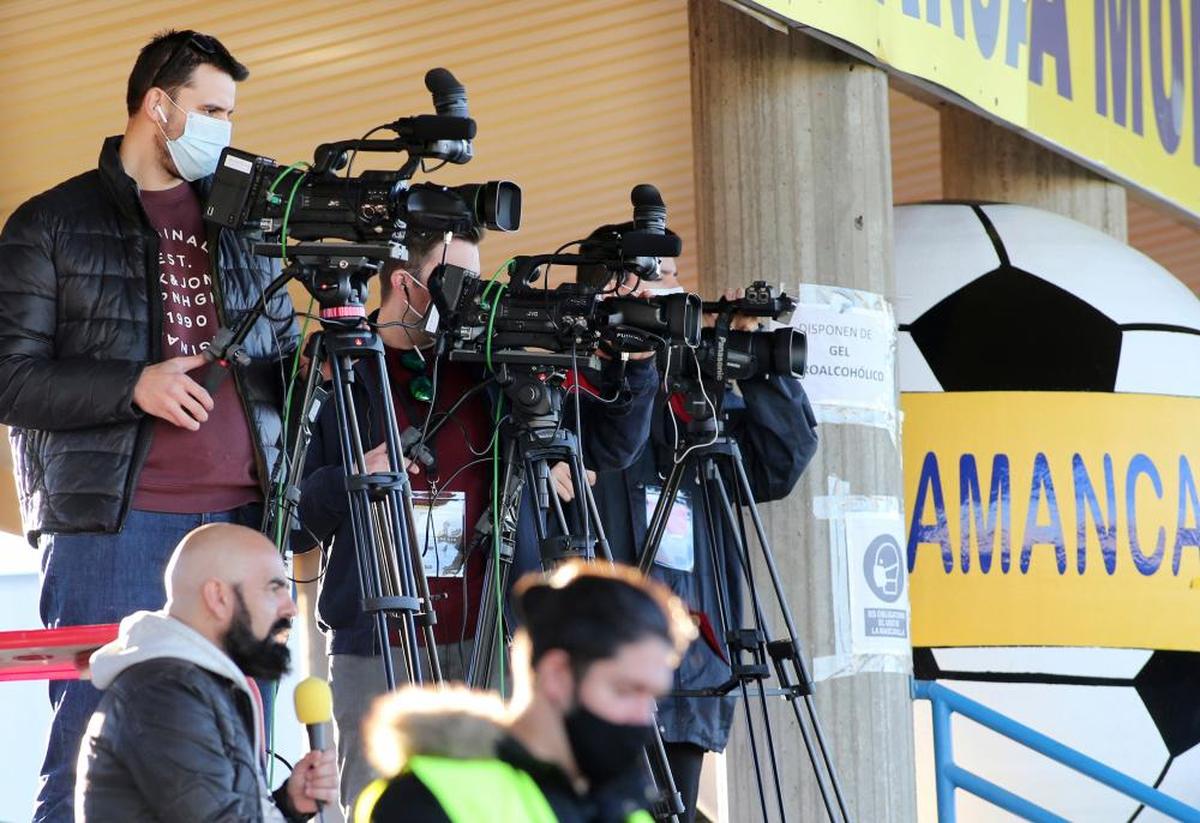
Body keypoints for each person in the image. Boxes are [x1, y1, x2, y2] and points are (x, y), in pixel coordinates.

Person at [0, 29, 298, 822]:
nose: (224, 131)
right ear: (156, 106)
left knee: (239, 746)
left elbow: (288, 358)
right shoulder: (49, 223)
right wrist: (133, 386)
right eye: (209, 109)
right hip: (112, 526)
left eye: (230, 113)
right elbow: (10, 377)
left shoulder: (246, 225)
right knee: (88, 744)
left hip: (242, 521)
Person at [295, 224, 660, 816]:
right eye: (454, 280)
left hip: (490, 631)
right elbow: (291, 521)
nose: (470, 298)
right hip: (377, 640)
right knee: (375, 801)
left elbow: (610, 447)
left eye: (476, 281)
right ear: (405, 283)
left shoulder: (497, 367)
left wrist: (637, 365)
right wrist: (354, 478)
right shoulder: (340, 366)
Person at [584, 252, 819, 822]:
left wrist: (753, 364)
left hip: (689, 666)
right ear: (616, 290)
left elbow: (780, 465)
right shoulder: (579, 384)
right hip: (603, 664)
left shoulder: (699, 392)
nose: (681, 291)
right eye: (662, 279)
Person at [354, 561, 696, 822]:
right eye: (626, 690)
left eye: (651, 696)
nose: (644, 715)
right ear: (557, 674)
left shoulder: (627, 809)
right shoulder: (425, 798)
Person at [75, 523, 337, 821]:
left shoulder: (189, 684)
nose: (291, 607)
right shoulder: (165, 694)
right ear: (218, 597)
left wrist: (288, 806)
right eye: (274, 588)